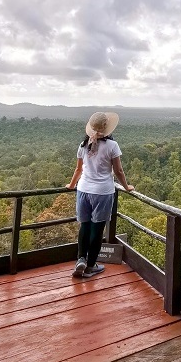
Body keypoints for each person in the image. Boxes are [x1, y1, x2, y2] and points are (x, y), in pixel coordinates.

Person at [66, 111, 134, 278]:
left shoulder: (83, 145)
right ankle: (90, 267)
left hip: (83, 190)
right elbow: (118, 170)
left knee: (85, 226)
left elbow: (78, 169)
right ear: (108, 129)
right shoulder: (112, 146)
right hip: (102, 192)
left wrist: (71, 185)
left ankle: (81, 259)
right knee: (97, 230)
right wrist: (126, 187)